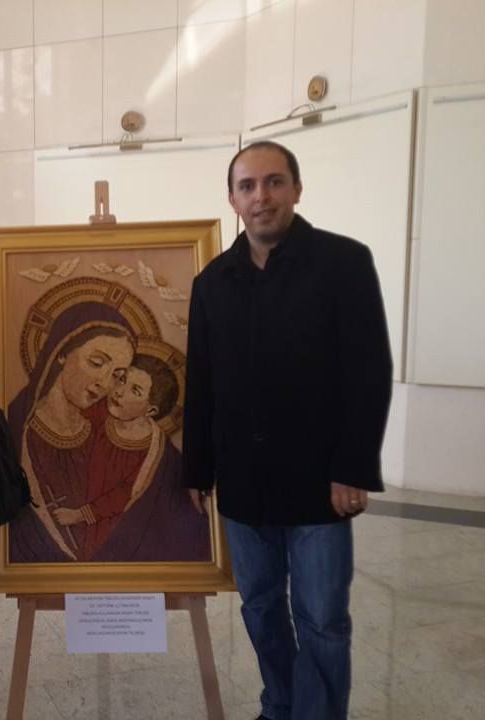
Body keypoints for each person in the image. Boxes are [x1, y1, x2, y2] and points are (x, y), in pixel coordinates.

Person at [182, 141, 393, 720]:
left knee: (322, 617)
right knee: (260, 606)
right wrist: (197, 468)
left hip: (320, 483)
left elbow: (368, 372)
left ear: (297, 189)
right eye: (247, 186)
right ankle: (280, 705)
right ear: (232, 199)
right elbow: (201, 381)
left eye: (274, 182)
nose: (262, 196)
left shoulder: (343, 263)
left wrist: (353, 468)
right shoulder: (212, 282)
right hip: (243, 483)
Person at [5, 301, 136, 562]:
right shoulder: (17, 430)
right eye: (97, 362)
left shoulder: (109, 434)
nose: (104, 383)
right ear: (62, 352)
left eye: (117, 375)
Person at [67, 348, 211, 562]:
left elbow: (124, 494)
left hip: (119, 530)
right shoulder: (94, 413)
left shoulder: (158, 454)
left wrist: (80, 514)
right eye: (122, 380)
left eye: (135, 391)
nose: (119, 392)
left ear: (151, 410)